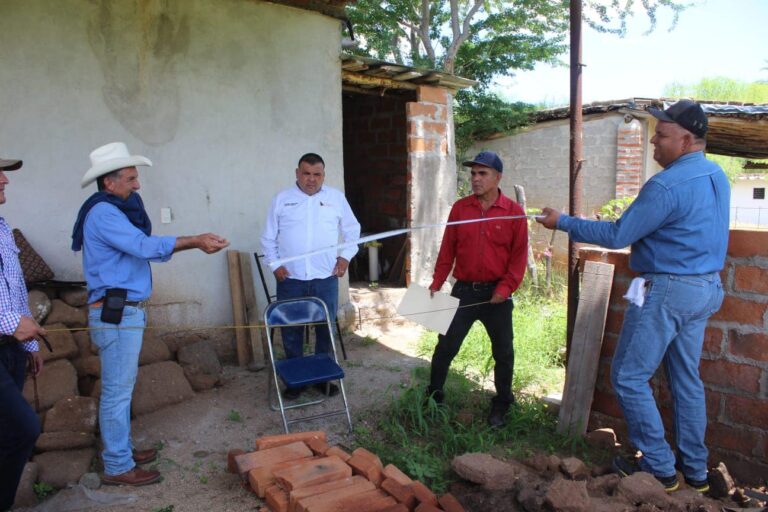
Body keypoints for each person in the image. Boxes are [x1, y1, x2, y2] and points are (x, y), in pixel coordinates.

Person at [536, 100, 728, 493]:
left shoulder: (666, 184)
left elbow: (619, 235)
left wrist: (563, 223)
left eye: (661, 134)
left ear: (687, 139)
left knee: (627, 376)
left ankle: (658, 467)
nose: (653, 141)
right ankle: (695, 471)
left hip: (669, 289)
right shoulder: (716, 175)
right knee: (686, 381)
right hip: (705, 288)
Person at [72, 142, 230, 487]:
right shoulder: (104, 214)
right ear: (109, 183)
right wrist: (195, 240)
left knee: (121, 388)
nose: (137, 185)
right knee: (116, 391)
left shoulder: (113, 210)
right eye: (130, 179)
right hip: (115, 315)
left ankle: (122, 450)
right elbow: (144, 246)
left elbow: (141, 246)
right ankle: (116, 465)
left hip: (121, 312)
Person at [427, 151, 528, 428]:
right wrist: (437, 282)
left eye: (482, 173)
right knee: (445, 346)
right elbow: (447, 249)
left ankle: (503, 403)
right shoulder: (460, 209)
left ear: (498, 177)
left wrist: (505, 289)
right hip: (465, 291)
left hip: (497, 295)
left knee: (504, 352)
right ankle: (433, 397)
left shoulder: (514, 213)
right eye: (473, 173)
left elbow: (518, 258)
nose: (475, 178)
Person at [260, 153, 360, 399]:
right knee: (291, 330)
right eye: (306, 173)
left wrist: (345, 257)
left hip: (325, 279)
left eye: (317, 174)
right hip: (290, 279)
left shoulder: (335, 199)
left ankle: (322, 379)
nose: (311, 179)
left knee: (325, 330)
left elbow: (352, 230)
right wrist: (275, 265)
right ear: (297, 173)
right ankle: (295, 381)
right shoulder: (282, 200)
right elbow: (268, 237)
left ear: (323, 175)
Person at [0, 156, 48, 511]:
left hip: (10, 351)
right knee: (22, 428)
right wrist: (10, 323)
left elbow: (15, 290)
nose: (5, 180)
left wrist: (29, 342)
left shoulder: (2, 228)